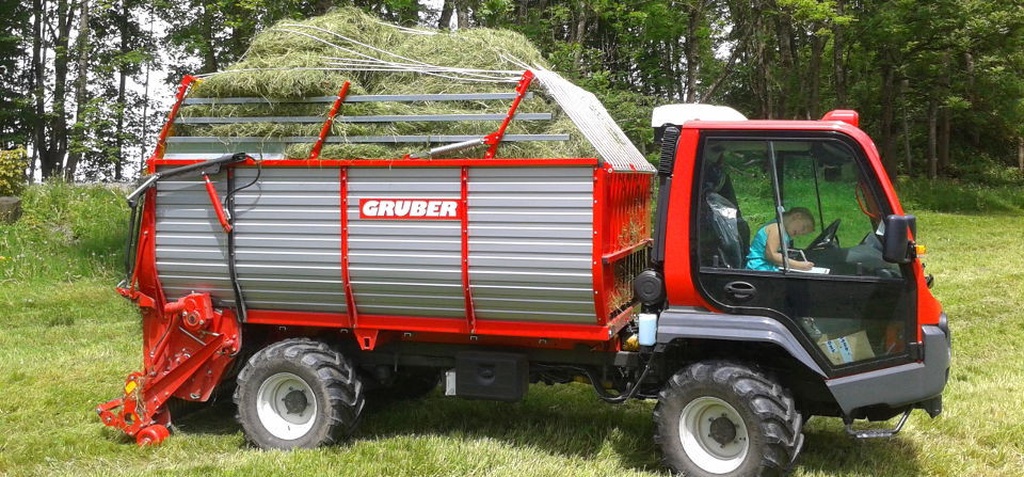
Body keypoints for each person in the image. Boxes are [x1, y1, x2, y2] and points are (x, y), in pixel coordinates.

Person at [746, 207, 816, 271]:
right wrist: (799, 265)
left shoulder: (784, 232)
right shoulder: (777, 228)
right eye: (803, 228)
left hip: (768, 267)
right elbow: (771, 255)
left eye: (803, 234)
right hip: (759, 268)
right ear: (797, 216)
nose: (800, 233)